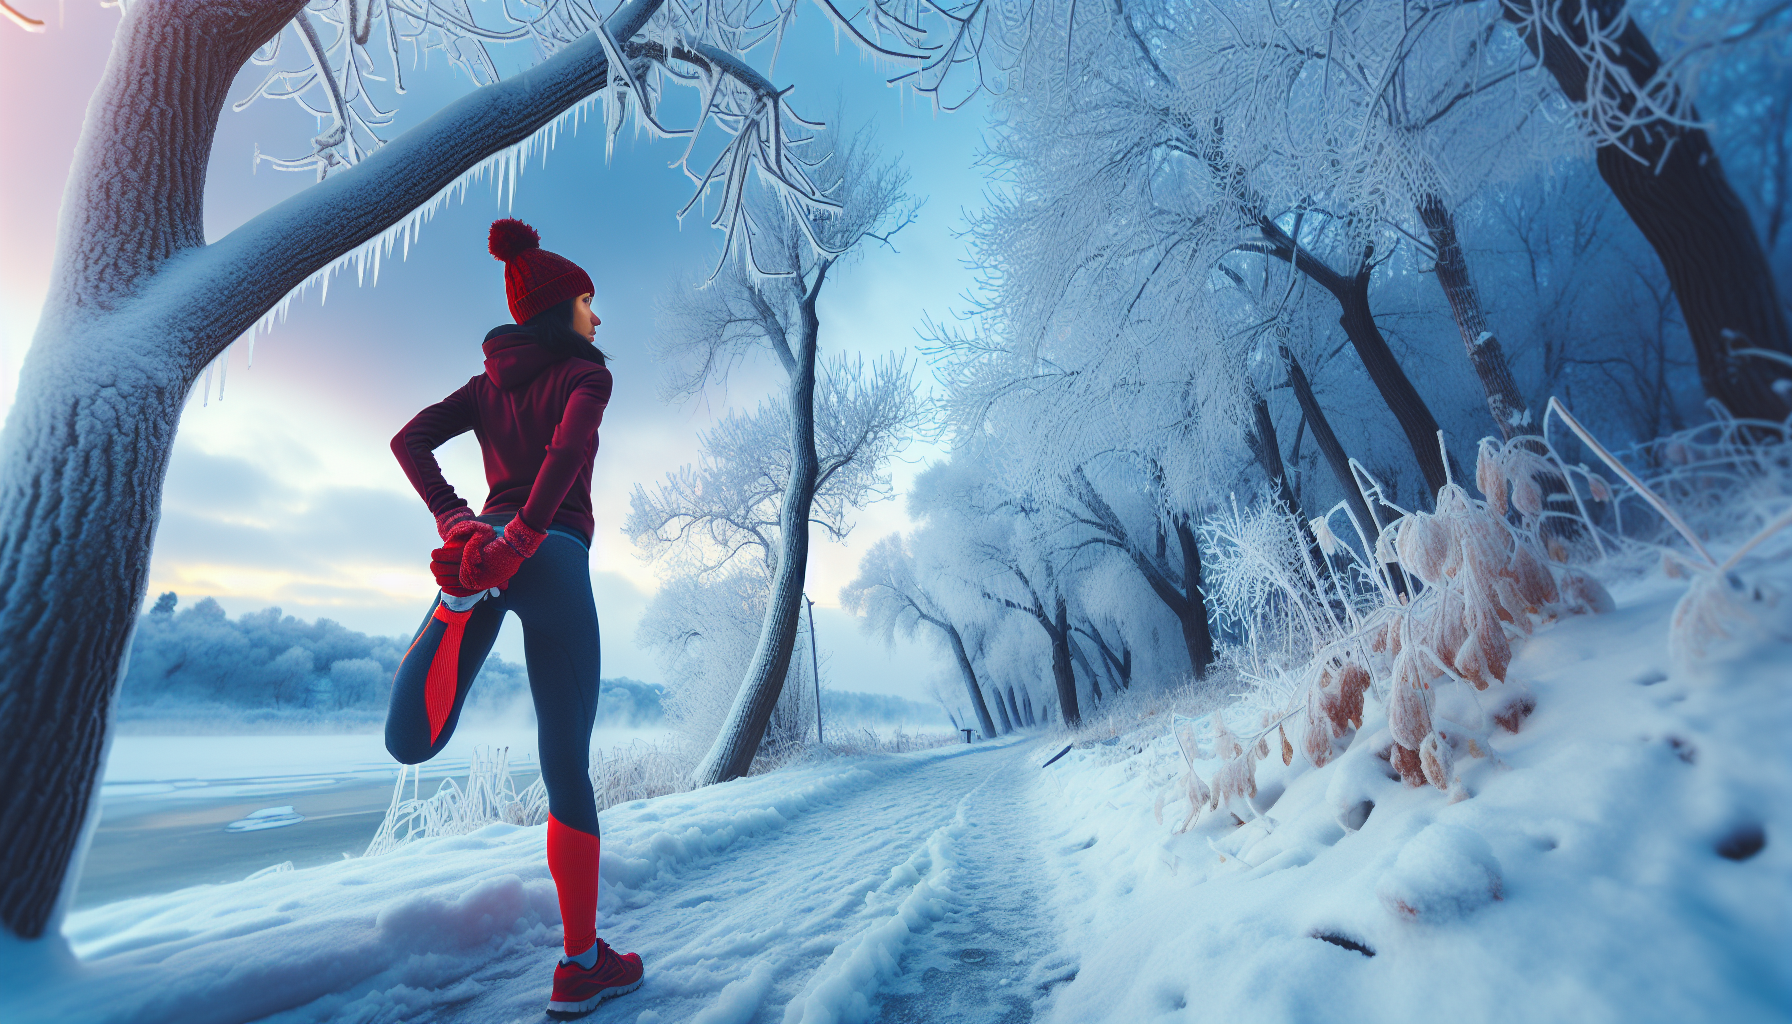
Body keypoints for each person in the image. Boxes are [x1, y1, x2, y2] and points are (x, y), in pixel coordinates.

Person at [385, 218, 643, 1017]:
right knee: (565, 759)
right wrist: (530, 534)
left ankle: (457, 600)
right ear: (561, 308)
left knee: (411, 741)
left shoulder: (484, 386)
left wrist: (459, 524)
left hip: (483, 546)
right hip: (551, 549)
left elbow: (409, 440)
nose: (598, 320)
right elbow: (568, 453)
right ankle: (579, 964)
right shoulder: (586, 376)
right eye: (589, 304)